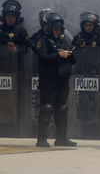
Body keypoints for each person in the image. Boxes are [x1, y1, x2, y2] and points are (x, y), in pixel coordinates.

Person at [35, 11, 77, 147]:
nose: (58, 32)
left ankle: (61, 138)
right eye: (56, 30)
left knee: (62, 108)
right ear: (48, 28)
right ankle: (41, 139)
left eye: (60, 30)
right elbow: (43, 58)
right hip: (49, 79)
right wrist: (59, 55)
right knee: (47, 107)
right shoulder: (42, 41)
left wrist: (70, 54)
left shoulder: (62, 41)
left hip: (63, 79)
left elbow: (73, 60)